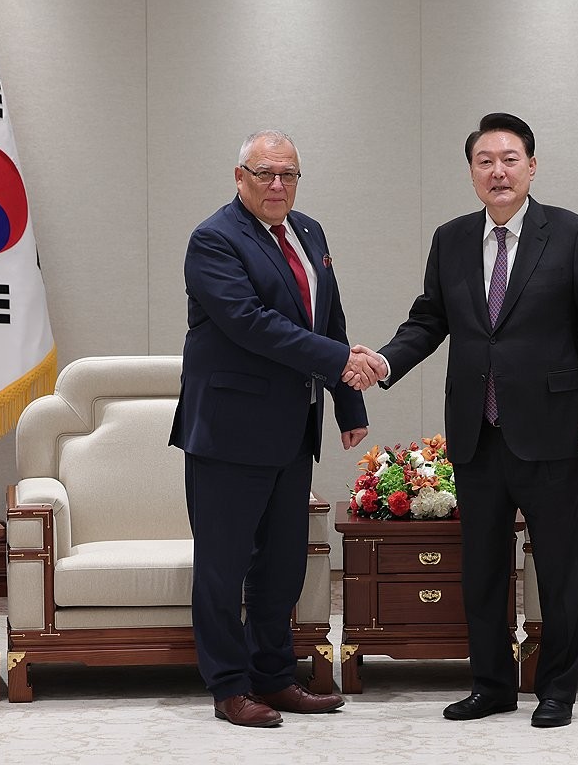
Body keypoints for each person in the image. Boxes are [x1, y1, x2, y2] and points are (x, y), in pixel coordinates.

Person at [347, 113, 578, 728]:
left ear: (531, 166)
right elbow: (428, 320)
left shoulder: (572, 234)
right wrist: (384, 362)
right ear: (472, 172)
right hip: (476, 430)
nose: (498, 170)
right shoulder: (451, 239)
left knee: (560, 567)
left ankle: (557, 690)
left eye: (510, 158)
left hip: (550, 427)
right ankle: (491, 684)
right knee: (483, 569)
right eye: (485, 161)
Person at [169, 129, 373, 728]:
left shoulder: (309, 232)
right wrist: (339, 361)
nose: (278, 185)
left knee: (281, 565)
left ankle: (275, 677)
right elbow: (251, 324)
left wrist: (349, 404)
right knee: (223, 566)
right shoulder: (214, 240)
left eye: (288, 174)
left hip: (291, 431)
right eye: (265, 174)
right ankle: (230, 688)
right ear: (240, 177)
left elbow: (328, 317)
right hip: (229, 432)